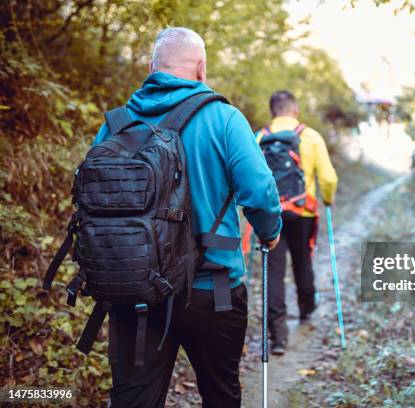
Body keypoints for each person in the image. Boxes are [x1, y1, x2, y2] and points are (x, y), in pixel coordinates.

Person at [92, 27, 281, 408]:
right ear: (201, 68)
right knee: (220, 392)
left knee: (133, 399)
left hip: (135, 287)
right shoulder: (224, 119)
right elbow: (259, 191)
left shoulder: (117, 124)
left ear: (151, 68)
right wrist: (269, 231)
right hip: (214, 288)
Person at [256, 90, 338, 355]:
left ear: (273, 111)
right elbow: (328, 178)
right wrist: (327, 199)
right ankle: (306, 310)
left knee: (274, 271)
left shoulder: (259, 137)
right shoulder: (310, 136)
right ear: (295, 109)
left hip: (270, 215)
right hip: (303, 213)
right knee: (303, 260)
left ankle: (277, 335)